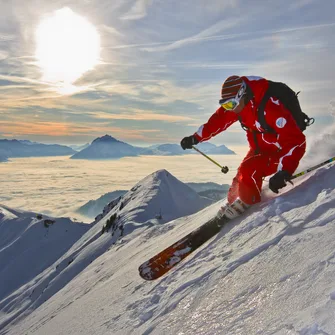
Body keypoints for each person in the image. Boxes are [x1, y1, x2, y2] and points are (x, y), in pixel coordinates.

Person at [180, 75, 307, 219]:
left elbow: (296, 141)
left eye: (231, 105)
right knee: (239, 179)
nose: (230, 109)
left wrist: (284, 171)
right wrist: (195, 138)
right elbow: (218, 120)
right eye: (225, 105)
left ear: (242, 94)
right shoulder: (239, 105)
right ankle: (233, 203)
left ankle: (249, 204)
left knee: (249, 170)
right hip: (260, 149)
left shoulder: (271, 107)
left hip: (279, 152)